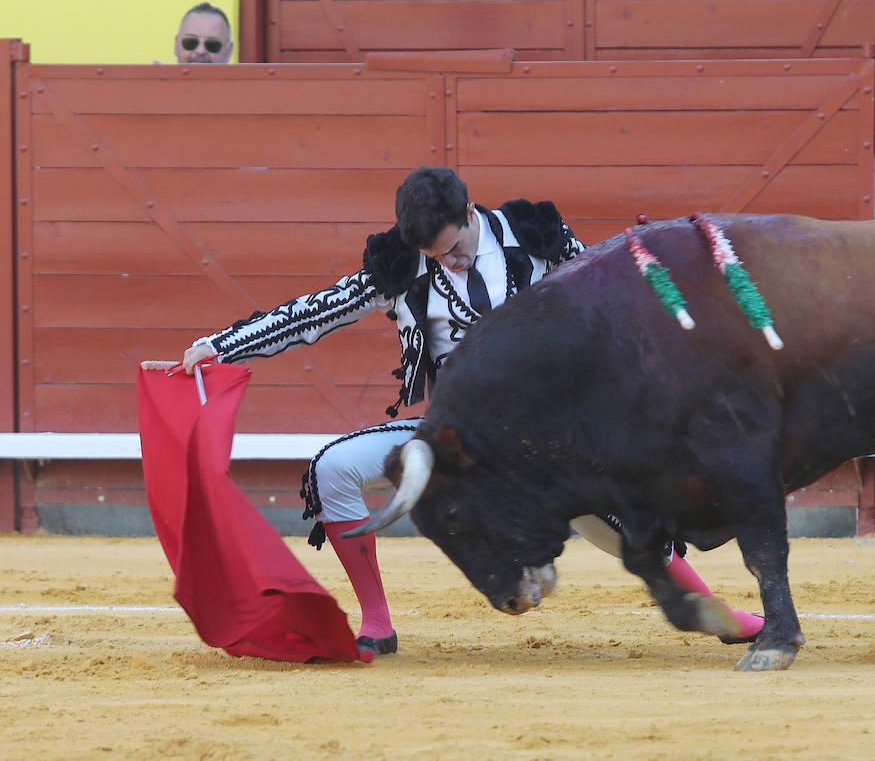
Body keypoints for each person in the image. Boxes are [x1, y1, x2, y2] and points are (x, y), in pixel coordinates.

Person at [156, 167, 763, 660]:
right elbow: (317, 312)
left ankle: (714, 614)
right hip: (455, 438)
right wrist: (222, 346)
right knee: (332, 470)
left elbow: (612, 291)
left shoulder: (536, 240)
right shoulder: (401, 265)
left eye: (454, 249)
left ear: (471, 215)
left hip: (549, 437)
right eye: (433, 255)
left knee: (619, 520)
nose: (448, 263)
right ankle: (376, 621)